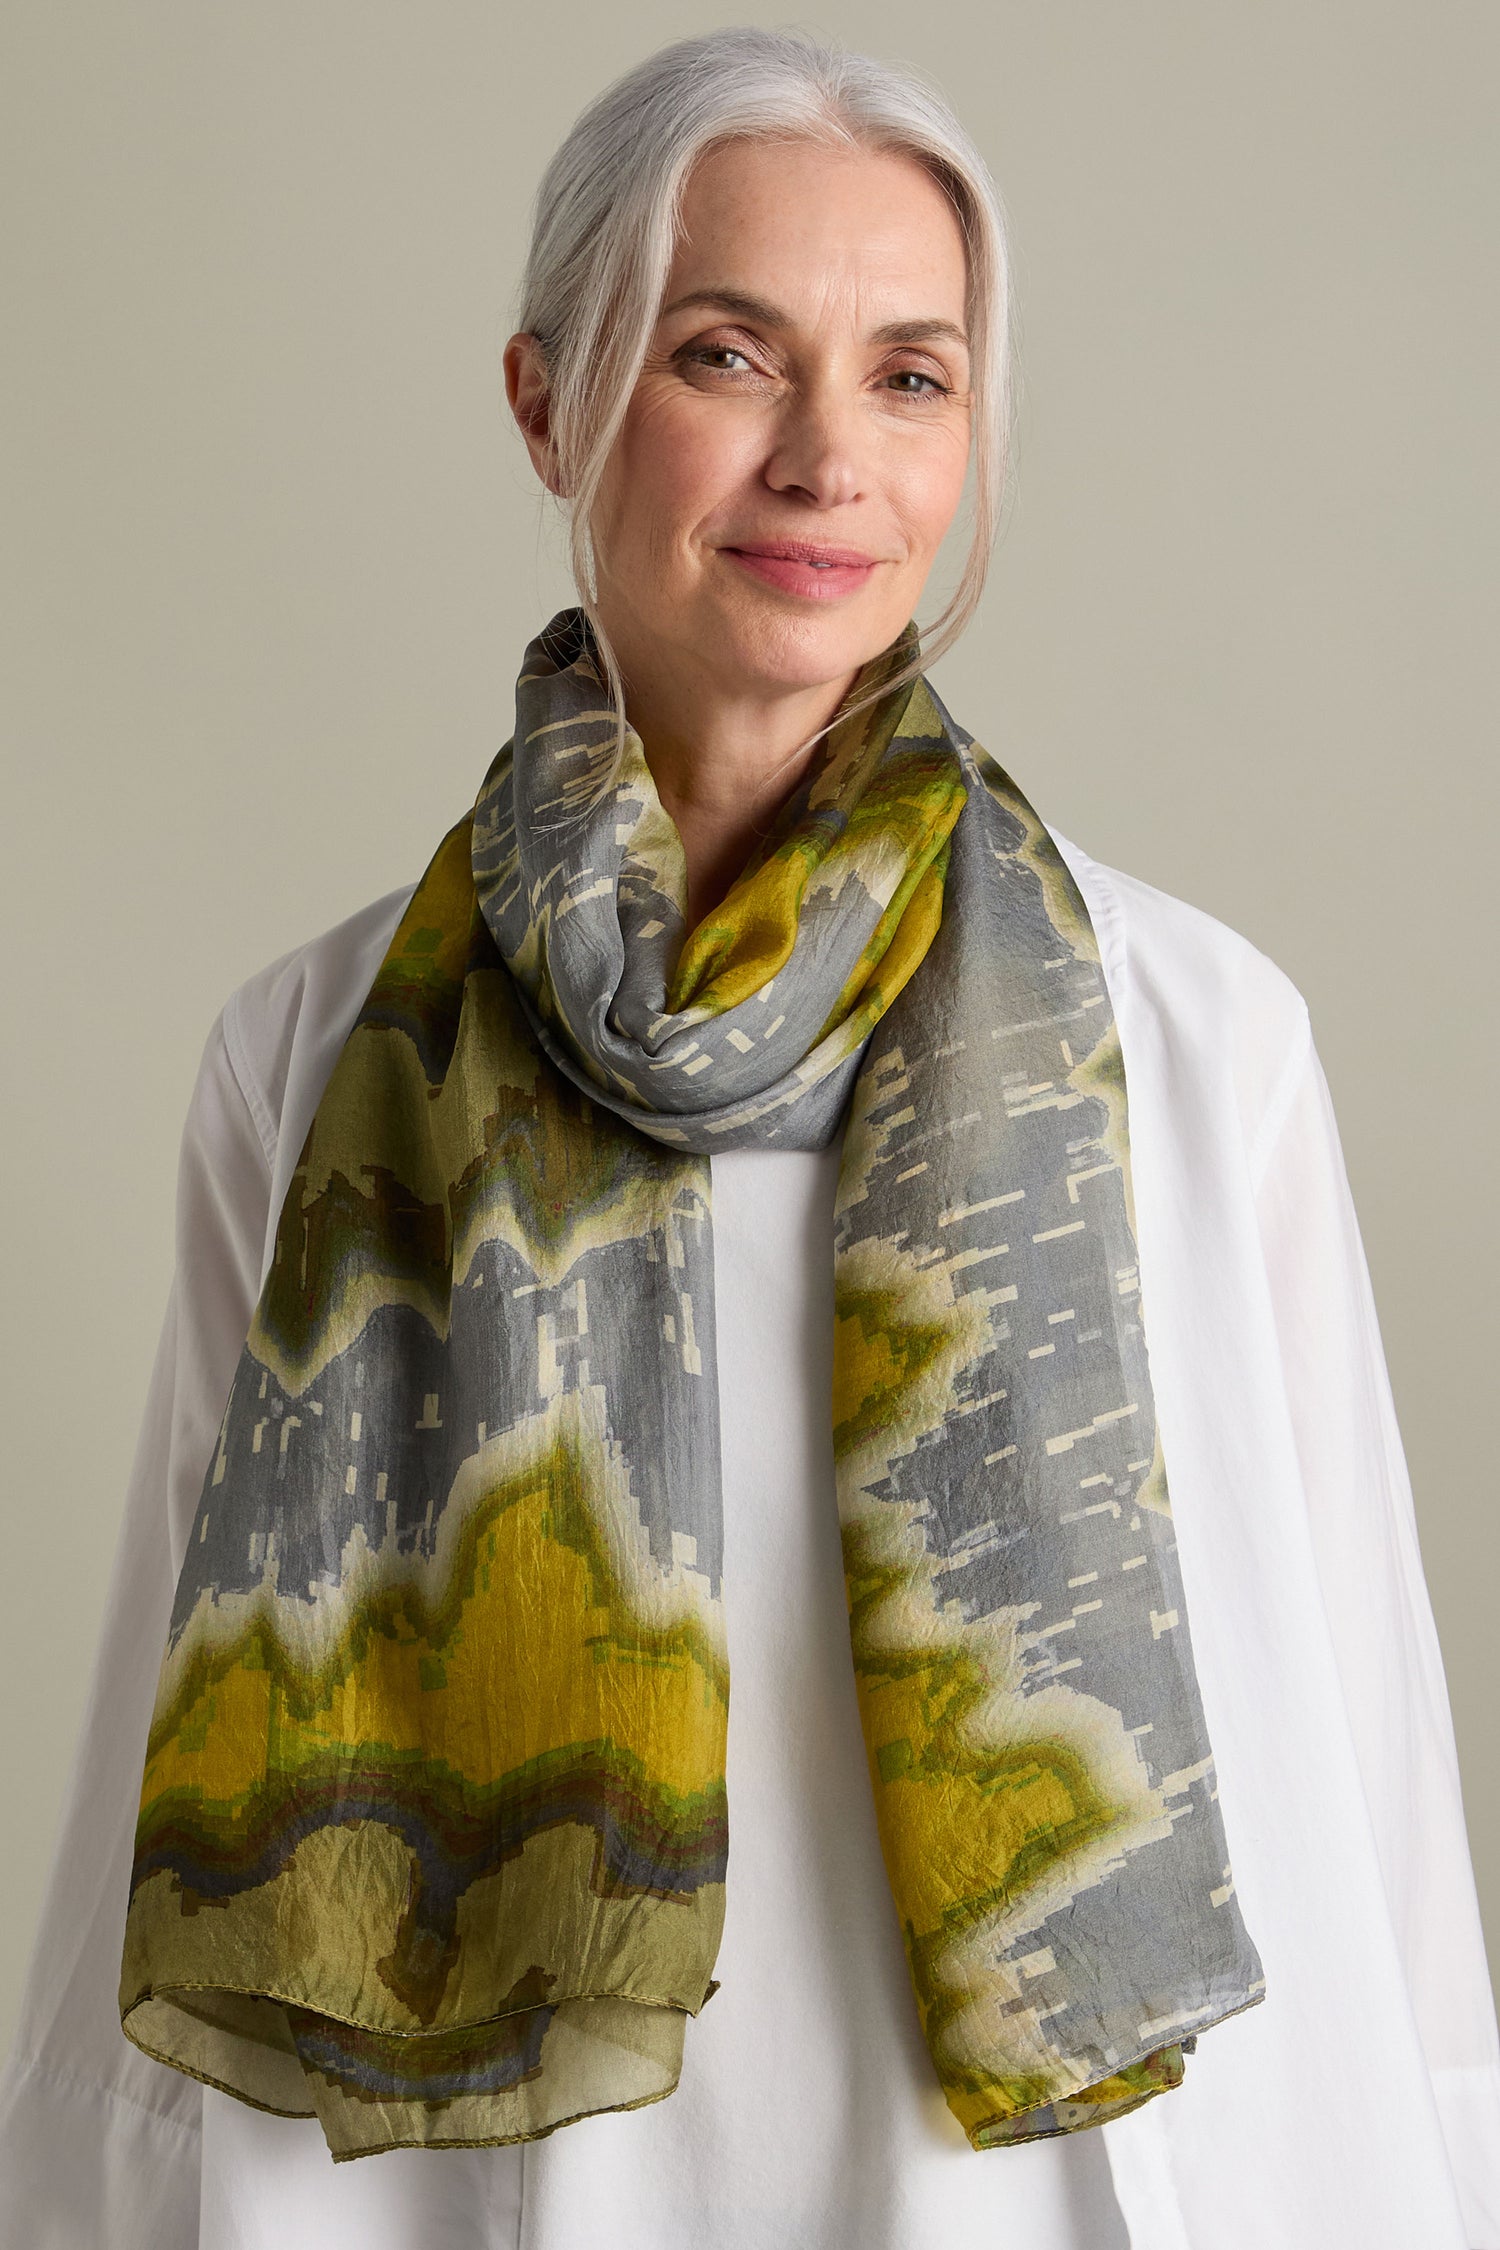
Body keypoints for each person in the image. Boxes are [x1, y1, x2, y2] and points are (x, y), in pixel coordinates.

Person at [2, 26, 1497, 2250]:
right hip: (502, 2187)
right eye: (731, 353)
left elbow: (1349, 1748)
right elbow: (183, 1727)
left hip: (1055, 2179)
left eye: (914, 375)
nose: (832, 461)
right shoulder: (314, 1055)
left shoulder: (1190, 1043)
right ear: (549, 400)